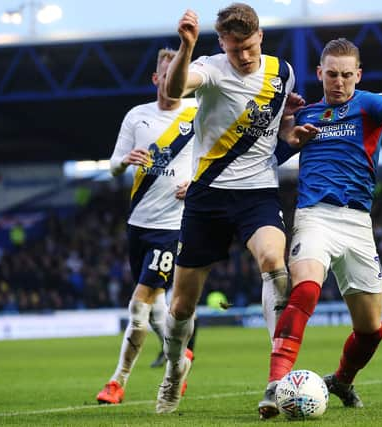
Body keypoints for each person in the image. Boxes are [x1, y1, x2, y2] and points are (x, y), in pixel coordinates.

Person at [258, 38, 382, 419]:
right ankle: (274, 385)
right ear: (319, 74)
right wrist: (286, 131)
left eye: (347, 75)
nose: (339, 82)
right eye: (332, 74)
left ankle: (342, 381)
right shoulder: (307, 113)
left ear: (358, 75)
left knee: (371, 331)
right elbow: (274, 158)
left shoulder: (369, 104)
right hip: (314, 216)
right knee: (306, 291)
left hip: (358, 224)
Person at [155, 3, 305, 414]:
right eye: (235, 48)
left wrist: (292, 130)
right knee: (182, 305)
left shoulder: (283, 72)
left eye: (250, 47)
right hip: (207, 197)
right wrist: (186, 47)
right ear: (222, 43)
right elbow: (172, 90)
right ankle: (173, 371)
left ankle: (277, 379)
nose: (244, 56)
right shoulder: (209, 68)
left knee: (276, 264)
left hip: (257, 192)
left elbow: (279, 128)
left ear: (261, 38)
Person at [95, 48, 198, 405]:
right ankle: (180, 359)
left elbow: (218, 157)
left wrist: (198, 184)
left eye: (178, 77)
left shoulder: (198, 114)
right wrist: (123, 161)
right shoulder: (137, 116)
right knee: (156, 310)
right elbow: (111, 165)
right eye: (166, 76)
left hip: (174, 228)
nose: (172, 82)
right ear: (157, 79)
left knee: (139, 304)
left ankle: (117, 381)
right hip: (138, 224)